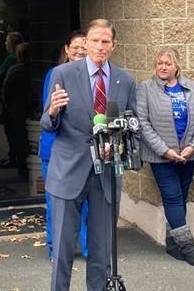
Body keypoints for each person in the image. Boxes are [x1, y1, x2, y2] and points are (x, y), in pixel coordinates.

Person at [41, 19, 137, 291]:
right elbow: (48, 124)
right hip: (68, 171)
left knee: (101, 249)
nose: (99, 46)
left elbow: (132, 125)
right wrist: (53, 112)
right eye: (94, 40)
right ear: (85, 43)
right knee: (62, 248)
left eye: (105, 41)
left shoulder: (125, 80)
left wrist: (118, 145)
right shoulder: (63, 73)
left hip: (106, 174)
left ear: (113, 46)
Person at [137, 47, 194, 267]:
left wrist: (193, 147)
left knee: (180, 198)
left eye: (167, 64)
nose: (162, 67)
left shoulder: (191, 87)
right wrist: (164, 150)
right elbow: (143, 123)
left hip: (187, 155)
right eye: (159, 63)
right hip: (162, 157)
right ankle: (187, 247)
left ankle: (172, 243)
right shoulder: (146, 89)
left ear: (176, 66)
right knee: (172, 198)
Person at [39, 30, 88, 260]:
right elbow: (50, 113)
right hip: (56, 149)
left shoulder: (94, 76)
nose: (80, 51)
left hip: (85, 152)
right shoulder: (56, 74)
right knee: (57, 204)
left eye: (84, 47)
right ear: (66, 49)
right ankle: (56, 248)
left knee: (88, 203)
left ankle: (90, 248)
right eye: (75, 47)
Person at [1, 42, 33, 180]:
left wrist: (7, 106)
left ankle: (22, 169)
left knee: (19, 139)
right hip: (25, 108)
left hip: (16, 109)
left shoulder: (15, 69)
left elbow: (6, 90)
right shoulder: (29, 69)